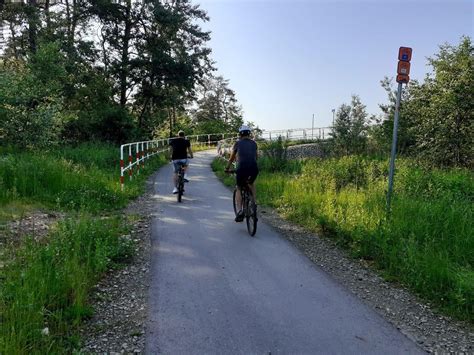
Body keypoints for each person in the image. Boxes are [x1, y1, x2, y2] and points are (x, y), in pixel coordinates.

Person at [225, 125, 259, 222]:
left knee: (239, 187)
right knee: (251, 183)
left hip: (241, 169)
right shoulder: (254, 143)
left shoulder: (237, 143)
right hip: (253, 168)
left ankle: (240, 211)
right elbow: (256, 157)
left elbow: (232, 158)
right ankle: (253, 204)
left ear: (240, 134)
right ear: (249, 133)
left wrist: (227, 168)